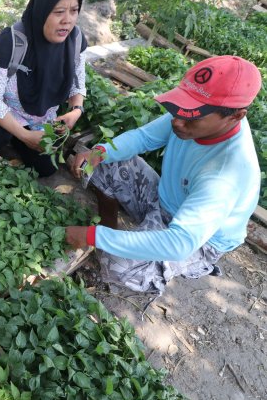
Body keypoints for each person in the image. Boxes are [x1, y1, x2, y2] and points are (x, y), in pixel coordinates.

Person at [65, 55, 262, 294]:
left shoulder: (225, 174)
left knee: (118, 266)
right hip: (165, 200)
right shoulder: (196, 114)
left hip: (200, 239)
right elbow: (144, 137)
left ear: (235, 116)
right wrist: (99, 152)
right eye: (179, 108)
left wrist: (92, 235)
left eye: (192, 115)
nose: (177, 121)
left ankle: (141, 266)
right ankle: (112, 234)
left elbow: (180, 242)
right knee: (105, 161)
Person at [0, 0, 88, 177]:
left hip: (41, 117)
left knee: (47, 168)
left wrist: (76, 110)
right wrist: (25, 135)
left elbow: (77, 83)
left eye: (74, 11)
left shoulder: (75, 40)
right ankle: (16, 137)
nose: (67, 20)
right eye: (59, 12)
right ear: (42, 10)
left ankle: (23, 139)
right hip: (8, 110)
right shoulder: (10, 42)